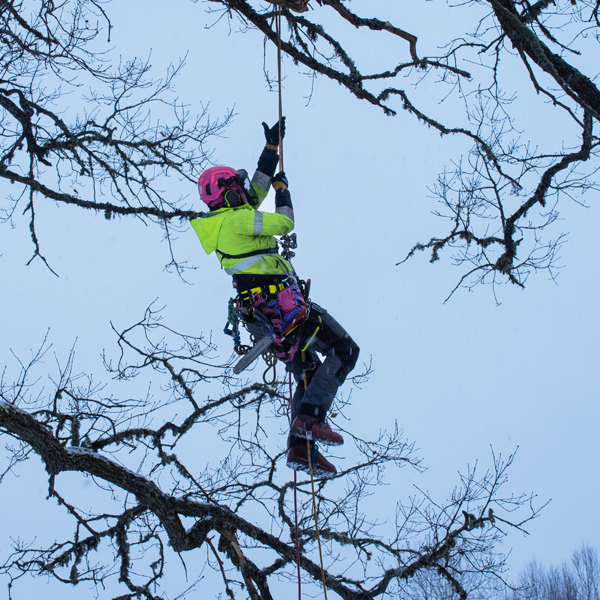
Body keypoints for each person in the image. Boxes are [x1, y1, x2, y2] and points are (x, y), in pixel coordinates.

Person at [190, 118, 359, 478]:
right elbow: (284, 222)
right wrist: (284, 190)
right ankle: (310, 421)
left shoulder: (226, 219)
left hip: (266, 315)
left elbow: (254, 190)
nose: (244, 193)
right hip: (281, 307)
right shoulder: (236, 222)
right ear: (228, 195)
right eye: (236, 188)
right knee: (345, 350)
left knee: (310, 371)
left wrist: (271, 151)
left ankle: (300, 447)